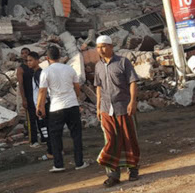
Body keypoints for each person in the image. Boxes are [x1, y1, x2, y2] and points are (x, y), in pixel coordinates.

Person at [95, 35, 140, 188]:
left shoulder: (123, 62)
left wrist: (133, 101)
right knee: (110, 140)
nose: (100, 50)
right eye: (98, 47)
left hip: (123, 106)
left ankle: (133, 169)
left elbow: (133, 81)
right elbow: (99, 87)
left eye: (103, 46)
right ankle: (113, 174)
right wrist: (98, 107)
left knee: (128, 138)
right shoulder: (98, 66)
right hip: (106, 109)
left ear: (111, 46)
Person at [36, 46, 87, 172]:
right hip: (72, 106)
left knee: (55, 136)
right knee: (76, 135)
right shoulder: (70, 69)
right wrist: (74, 98)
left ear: (47, 58)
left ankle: (58, 164)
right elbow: (77, 88)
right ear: (59, 56)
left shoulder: (46, 72)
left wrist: (39, 107)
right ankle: (79, 163)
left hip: (56, 108)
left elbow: (42, 92)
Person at [26, 51, 53, 160]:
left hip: (43, 106)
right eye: (27, 61)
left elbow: (43, 91)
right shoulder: (36, 73)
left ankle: (51, 152)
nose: (29, 63)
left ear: (37, 61)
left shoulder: (39, 74)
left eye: (31, 60)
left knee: (46, 129)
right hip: (42, 106)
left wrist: (41, 106)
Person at [16, 47, 38, 147]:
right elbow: (21, 85)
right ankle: (33, 140)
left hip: (37, 96)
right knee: (31, 119)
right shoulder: (21, 69)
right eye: (22, 53)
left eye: (26, 53)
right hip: (28, 96)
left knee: (40, 117)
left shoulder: (34, 67)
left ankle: (43, 137)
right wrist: (24, 99)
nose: (24, 55)